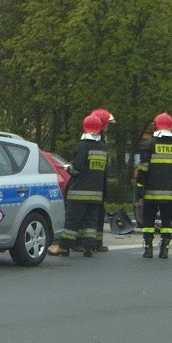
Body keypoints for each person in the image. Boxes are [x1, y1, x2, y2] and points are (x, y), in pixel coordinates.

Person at [49, 114, 108, 257]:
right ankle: (88, 246)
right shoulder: (103, 147)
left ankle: (63, 247)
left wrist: (68, 168)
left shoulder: (82, 146)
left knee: (72, 220)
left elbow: (76, 168)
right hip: (96, 193)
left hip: (79, 192)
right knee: (91, 221)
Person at [135, 112, 172, 259]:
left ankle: (148, 249)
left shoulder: (149, 145)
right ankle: (165, 249)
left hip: (151, 193)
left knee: (148, 221)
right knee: (167, 222)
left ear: (155, 126)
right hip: (171, 194)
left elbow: (143, 170)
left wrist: (139, 189)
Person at [89, 108, 115, 252]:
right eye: (107, 124)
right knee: (91, 216)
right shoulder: (94, 141)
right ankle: (88, 243)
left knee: (99, 215)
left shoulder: (101, 140)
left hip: (99, 184)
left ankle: (97, 242)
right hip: (93, 185)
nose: (107, 127)